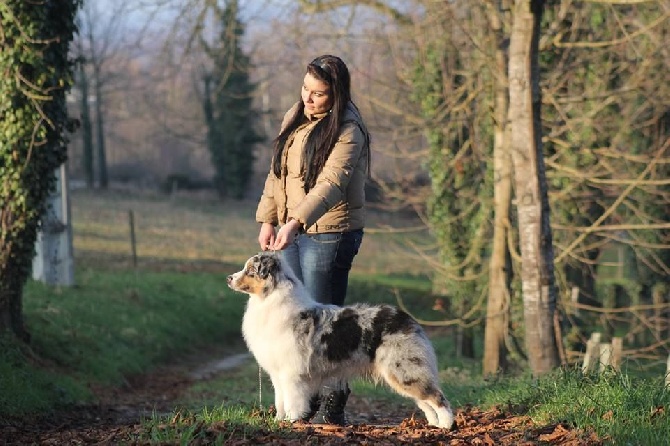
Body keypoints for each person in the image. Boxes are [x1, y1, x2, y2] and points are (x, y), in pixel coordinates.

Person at [255, 54, 371, 425]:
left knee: (324, 323)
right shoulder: (296, 116)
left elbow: (331, 185)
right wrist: (269, 219)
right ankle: (302, 403)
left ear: (335, 94)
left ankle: (333, 404)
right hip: (293, 229)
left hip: (331, 232)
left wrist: (296, 222)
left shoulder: (349, 129)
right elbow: (278, 173)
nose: (308, 99)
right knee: (297, 323)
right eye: (305, 89)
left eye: (318, 94)